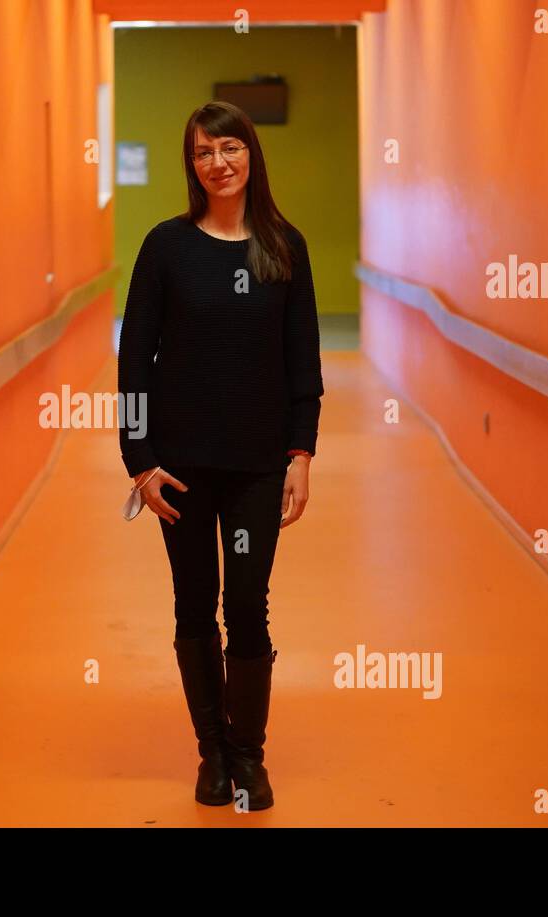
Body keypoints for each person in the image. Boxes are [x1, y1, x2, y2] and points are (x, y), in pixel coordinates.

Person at [117, 101, 325, 810]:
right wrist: (139, 460)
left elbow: (304, 362)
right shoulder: (166, 248)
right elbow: (134, 363)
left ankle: (249, 754)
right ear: (192, 164)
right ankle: (211, 754)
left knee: (248, 606)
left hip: (259, 465)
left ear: (250, 156)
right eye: (204, 152)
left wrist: (301, 453)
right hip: (180, 467)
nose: (218, 162)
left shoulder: (283, 246)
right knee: (193, 606)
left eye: (230, 148)